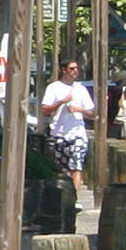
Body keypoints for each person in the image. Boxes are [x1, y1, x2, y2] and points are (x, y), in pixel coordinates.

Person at [39, 58, 95, 195]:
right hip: (58, 133)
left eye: (76, 68)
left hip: (77, 133)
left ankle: (74, 198)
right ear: (63, 70)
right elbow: (45, 110)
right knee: (61, 169)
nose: (75, 71)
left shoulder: (81, 89)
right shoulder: (53, 88)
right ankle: (63, 197)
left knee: (77, 166)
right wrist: (62, 102)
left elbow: (92, 113)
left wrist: (79, 109)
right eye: (71, 68)